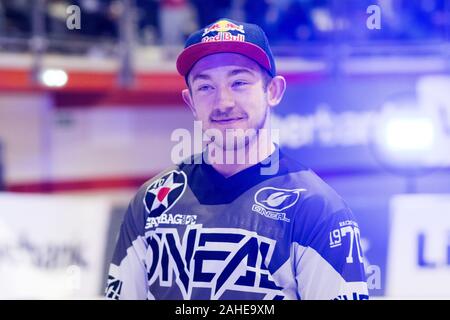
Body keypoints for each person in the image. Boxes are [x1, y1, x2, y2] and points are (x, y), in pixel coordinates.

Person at [105, 18, 369, 300]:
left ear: (273, 91)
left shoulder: (316, 208)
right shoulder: (152, 200)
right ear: (190, 101)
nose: (223, 103)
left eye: (239, 82)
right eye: (206, 87)